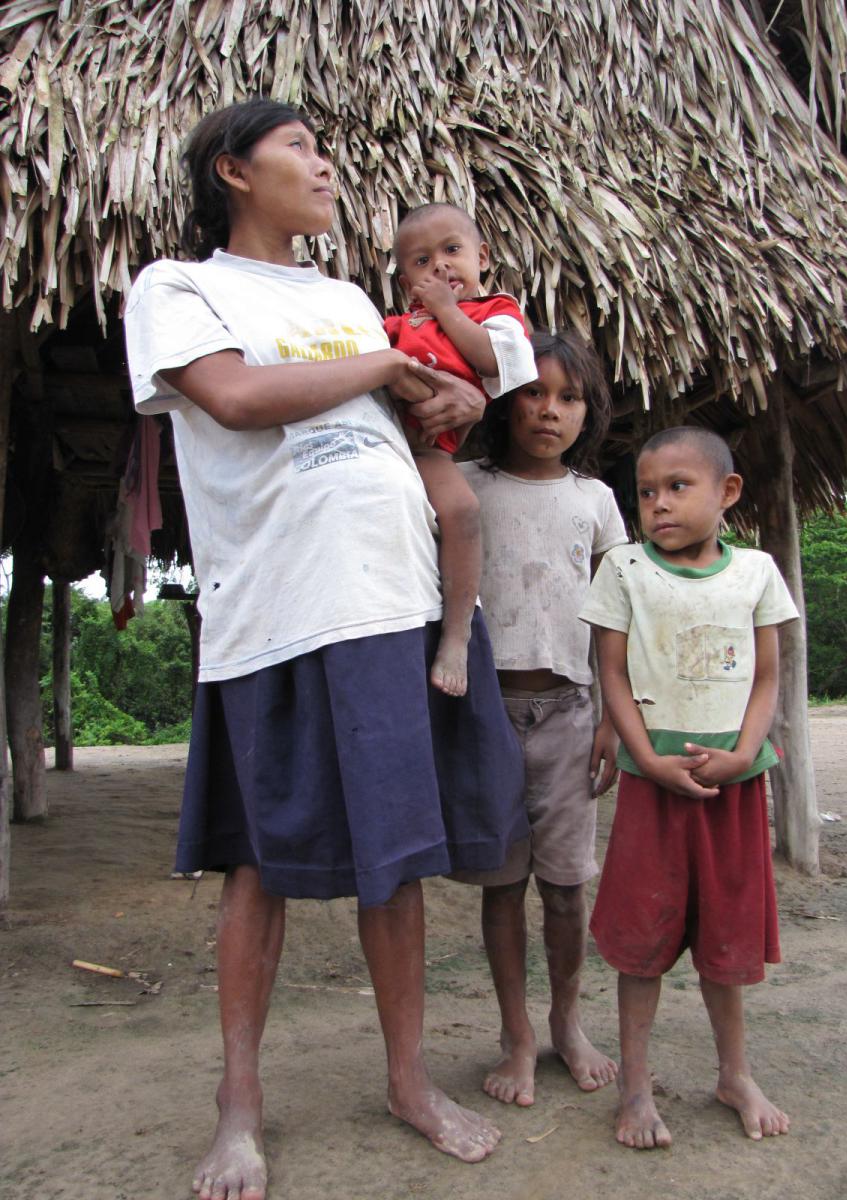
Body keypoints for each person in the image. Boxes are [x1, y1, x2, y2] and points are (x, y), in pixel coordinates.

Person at [124, 99, 529, 1200]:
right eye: (298, 146)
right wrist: (385, 372)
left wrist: (438, 392)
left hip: (393, 599)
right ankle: (238, 1108)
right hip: (280, 611)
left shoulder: (350, 298)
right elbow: (239, 397)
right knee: (258, 864)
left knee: (393, 860)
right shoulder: (178, 287)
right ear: (232, 169)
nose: (324, 163)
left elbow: (404, 420)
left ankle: (408, 1081)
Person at [580, 426, 797, 1149]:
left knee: (727, 939)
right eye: (646, 493)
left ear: (727, 492)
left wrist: (745, 753)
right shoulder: (624, 569)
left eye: (678, 487)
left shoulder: (759, 572)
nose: (659, 505)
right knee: (641, 941)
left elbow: (767, 676)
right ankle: (636, 1089)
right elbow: (612, 673)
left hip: (732, 787)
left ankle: (733, 1073)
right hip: (652, 784)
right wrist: (645, 756)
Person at [454, 330, 627, 1107]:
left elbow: (616, 623)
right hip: (485, 712)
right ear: (504, 398)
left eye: (568, 398)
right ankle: (515, 1033)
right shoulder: (463, 485)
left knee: (564, 887)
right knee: (501, 885)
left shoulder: (595, 501)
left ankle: (566, 1020)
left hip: (571, 711)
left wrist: (615, 721)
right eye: (534, 392)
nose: (549, 411)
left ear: (588, 412)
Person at [384, 203, 537, 697]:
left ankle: (457, 632)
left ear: (482, 257)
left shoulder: (498, 312)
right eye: (422, 261)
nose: (441, 267)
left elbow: (498, 361)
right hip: (383, 444)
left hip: (429, 451)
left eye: (452, 251)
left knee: (463, 512)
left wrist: (447, 310)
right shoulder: (399, 323)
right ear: (406, 278)